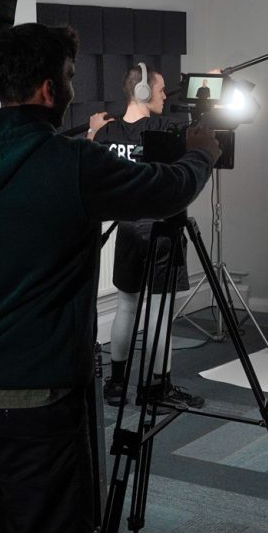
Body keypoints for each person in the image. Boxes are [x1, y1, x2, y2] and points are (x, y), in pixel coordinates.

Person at [0, 23, 220, 533]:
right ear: (44, 87)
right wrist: (205, 154)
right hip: (40, 392)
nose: (70, 85)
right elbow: (163, 191)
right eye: (65, 71)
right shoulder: (70, 161)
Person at [89, 64, 203, 409]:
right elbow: (201, 139)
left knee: (126, 304)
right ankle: (157, 388)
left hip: (125, 229)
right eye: (161, 89)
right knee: (158, 310)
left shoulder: (105, 135)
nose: (166, 96)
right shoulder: (165, 128)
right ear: (142, 92)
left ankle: (116, 384)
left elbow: (94, 160)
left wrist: (93, 134)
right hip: (161, 229)